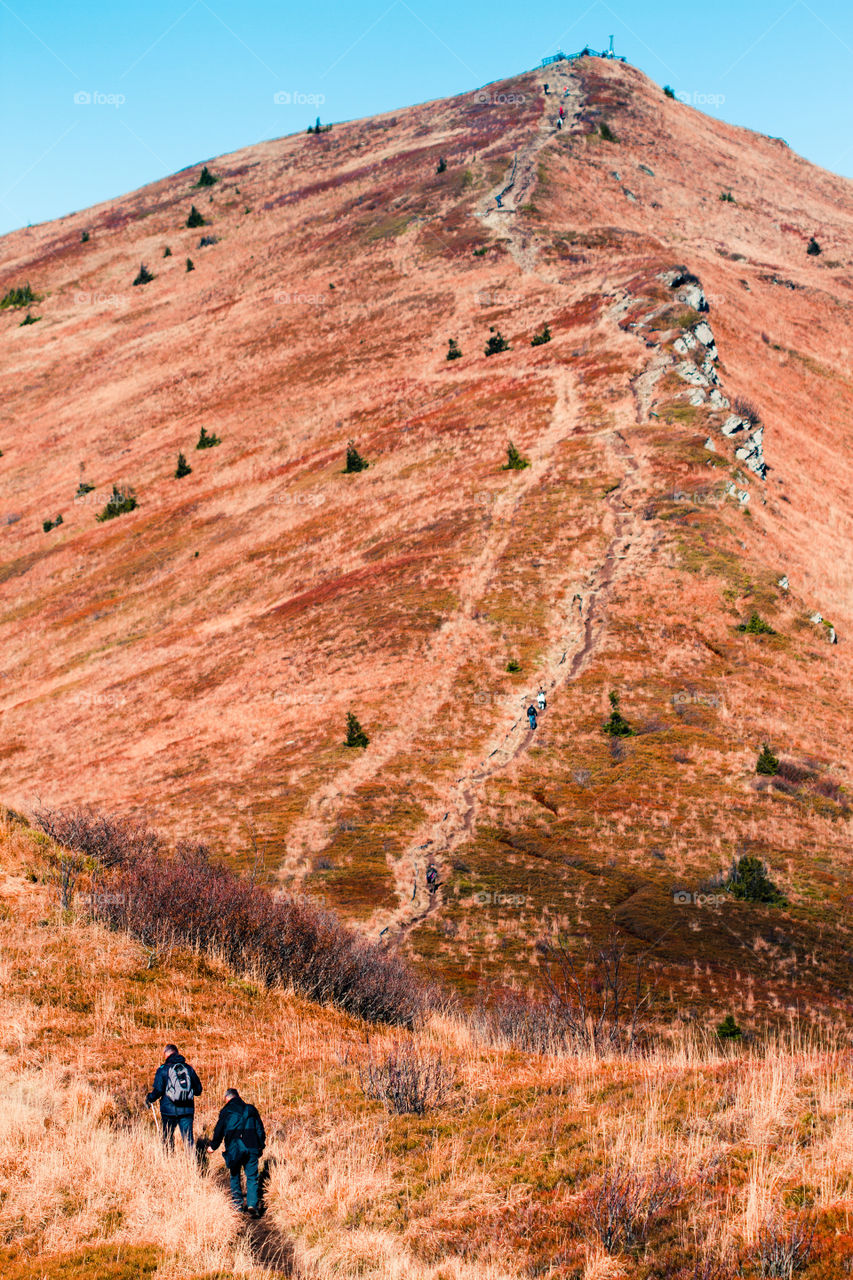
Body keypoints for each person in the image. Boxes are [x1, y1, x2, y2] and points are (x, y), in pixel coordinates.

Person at [207, 1088, 267, 1217]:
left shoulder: (226, 1111)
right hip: (252, 1146)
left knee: (235, 1175)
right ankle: (252, 1205)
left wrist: (213, 1146)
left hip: (234, 1148)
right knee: (252, 1176)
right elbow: (260, 1129)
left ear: (227, 1098)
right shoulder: (251, 1109)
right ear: (238, 1096)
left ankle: (237, 1205)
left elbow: (219, 1131)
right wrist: (260, 1146)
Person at [146, 1043, 203, 1148]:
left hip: (168, 1111)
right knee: (188, 1141)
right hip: (187, 1110)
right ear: (177, 1053)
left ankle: (169, 1161)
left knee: (167, 1138)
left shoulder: (163, 1069)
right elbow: (198, 1090)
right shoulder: (188, 1068)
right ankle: (191, 1163)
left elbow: (158, 1090)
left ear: (166, 1054)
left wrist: (150, 1098)